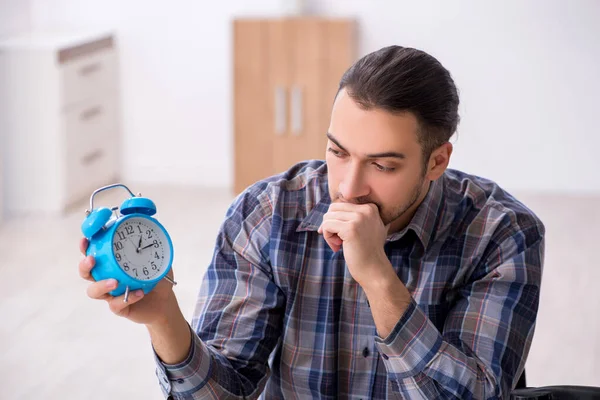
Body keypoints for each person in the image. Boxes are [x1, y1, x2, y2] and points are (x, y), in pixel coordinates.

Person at [78, 45, 545, 399]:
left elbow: (477, 393)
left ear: (437, 160)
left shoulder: (502, 235)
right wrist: (164, 318)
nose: (348, 187)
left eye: (382, 165)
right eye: (338, 153)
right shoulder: (266, 213)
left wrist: (379, 279)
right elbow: (224, 391)